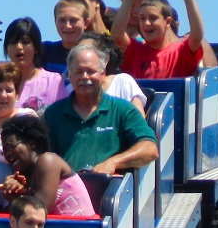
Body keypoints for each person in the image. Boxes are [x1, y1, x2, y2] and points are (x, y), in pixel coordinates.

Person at [43, 44, 158, 174]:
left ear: (103, 74)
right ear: (69, 76)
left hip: (108, 189)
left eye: (91, 71)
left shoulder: (122, 110)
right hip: (66, 189)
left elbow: (150, 149)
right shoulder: (53, 113)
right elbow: (40, 156)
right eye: (79, 72)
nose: (85, 77)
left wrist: (113, 163)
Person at [0, 115, 95, 217]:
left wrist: (16, 199)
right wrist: (13, 194)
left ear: (32, 144)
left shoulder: (48, 161)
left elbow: (38, 211)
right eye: (4, 150)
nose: (7, 154)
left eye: (10, 147)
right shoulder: (24, 176)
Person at [115, 0, 204, 79]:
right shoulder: (135, 51)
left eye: (153, 18)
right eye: (142, 18)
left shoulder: (180, 52)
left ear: (167, 22)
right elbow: (117, 37)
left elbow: (197, 36)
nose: (147, 23)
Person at [0, 18, 70, 113]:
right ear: (6, 48)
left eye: (25, 42)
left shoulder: (53, 82)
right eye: (13, 42)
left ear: (36, 48)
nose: (19, 47)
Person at [78, 31, 146, 114]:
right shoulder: (70, 89)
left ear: (105, 59)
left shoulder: (123, 82)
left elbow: (139, 123)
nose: (84, 57)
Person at [41, 0, 93, 76]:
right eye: (62, 20)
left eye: (73, 20)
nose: (67, 26)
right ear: (55, 22)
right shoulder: (45, 51)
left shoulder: (95, 53)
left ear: (86, 23)